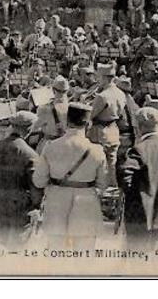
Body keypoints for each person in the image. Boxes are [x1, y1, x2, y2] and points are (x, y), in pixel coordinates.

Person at [32, 103, 108, 250]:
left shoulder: (51, 147)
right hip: (86, 205)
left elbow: (39, 181)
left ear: (67, 121)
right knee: (83, 257)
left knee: (57, 255)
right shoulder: (97, 150)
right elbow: (103, 185)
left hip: (56, 203)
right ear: (88, 124)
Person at [0, 111, 43, 249]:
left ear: (12, 126)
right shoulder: (30, 155)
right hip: (20, 208)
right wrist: (37, 208)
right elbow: (35, 187)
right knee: (18, 247)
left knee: (1, 243)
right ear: (29, 130)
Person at [117, 107, 158, 250]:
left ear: (139, 126)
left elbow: (125, 179)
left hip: (141, 214)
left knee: (136, 257)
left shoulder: (139, 149)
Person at [88, 63, 127, 186]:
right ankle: (113, 192)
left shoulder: (102, 96)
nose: (97, 80)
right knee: (111, 165)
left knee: (97, 165)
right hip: (113, 131)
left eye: (99, 77)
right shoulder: (120, 93)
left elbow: (91, 115)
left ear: (105, 78)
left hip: (100, 132)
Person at [28, 75, 69, 154]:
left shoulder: (45, 108)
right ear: (67, 91)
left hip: (50, 144)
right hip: (65, 145)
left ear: (53, 90)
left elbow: (34, 128)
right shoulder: (71, 107)